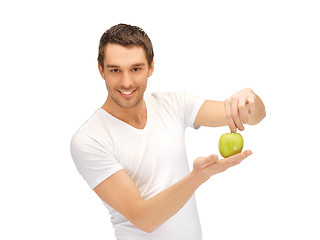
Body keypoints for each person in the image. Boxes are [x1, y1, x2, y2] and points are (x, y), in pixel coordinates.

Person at [70, 23, 266, 240]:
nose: (126, 82)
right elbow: (144, 218)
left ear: (151, 67)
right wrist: (198, 176)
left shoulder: (173, 104)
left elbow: (252, 116)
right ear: (101, 70)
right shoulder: (90, 139)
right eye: (115, 70)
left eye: (136, 69)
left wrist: (249, 98)